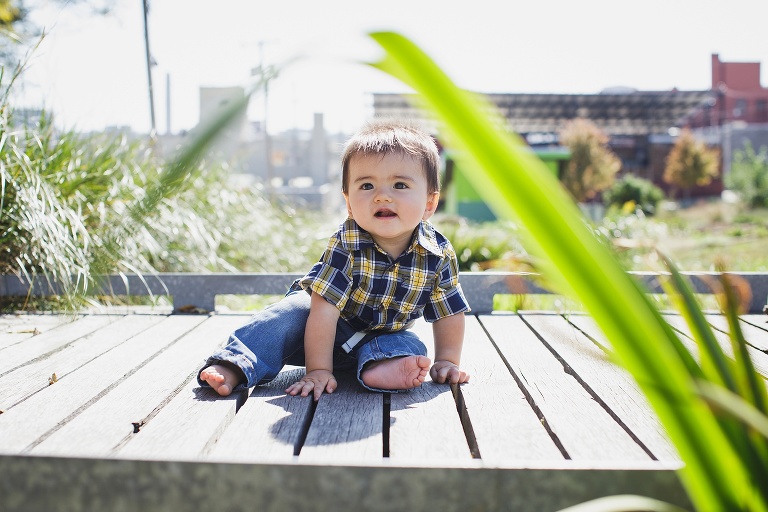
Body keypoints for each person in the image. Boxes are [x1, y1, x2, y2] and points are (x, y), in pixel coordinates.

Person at [198, 120, 471, 401]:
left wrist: (448, 360)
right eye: (366, 186)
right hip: (319, 336)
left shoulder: (437, 253)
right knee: (291, 311)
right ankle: (237, 363)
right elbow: (324, 310)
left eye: (399, 184)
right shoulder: (347, 244)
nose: (381, 196)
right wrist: (318, 369)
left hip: (380, 340)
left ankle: (379, 369)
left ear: (429, 203)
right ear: (349, 203)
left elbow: (448, 310)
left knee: (410, 345)